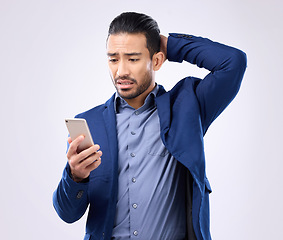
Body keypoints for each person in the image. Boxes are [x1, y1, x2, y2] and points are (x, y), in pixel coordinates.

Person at [53, 12, 247, 240]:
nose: (121, 71)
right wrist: (76, 177)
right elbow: (67, 213)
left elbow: (233, 62)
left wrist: (171, 45)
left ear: (156, 60)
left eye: (133, 59)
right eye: (113, 59)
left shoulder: (188, 108)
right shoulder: (90, 123)